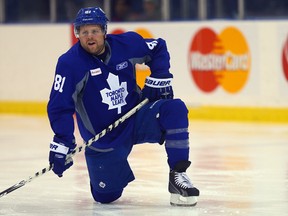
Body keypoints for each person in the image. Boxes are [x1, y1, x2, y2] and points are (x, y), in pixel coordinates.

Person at [47, 7, 199, 206]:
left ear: (104, 31)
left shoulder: (126, 45)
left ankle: (178, 175)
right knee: (107, 197)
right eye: (83, 32)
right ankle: (103, 178)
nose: (89, 36)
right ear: (77, 34)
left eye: (94, 31)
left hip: (136, 117)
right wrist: (63, 140)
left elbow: (158, 47)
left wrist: (159, 76)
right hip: (104, 139)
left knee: (175, 109)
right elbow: (60, 105)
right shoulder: (70, 64)